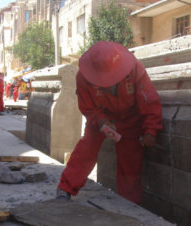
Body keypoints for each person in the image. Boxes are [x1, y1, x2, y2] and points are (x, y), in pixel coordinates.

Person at [56, 41, 163, 204]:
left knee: (130, 163)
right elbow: (88, 108)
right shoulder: (83, 78)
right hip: (100, 119)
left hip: (130, 120)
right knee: (86, 150)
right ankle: (65, 188)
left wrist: (151, 130)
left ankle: (130, 204)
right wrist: (101, 122)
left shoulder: (135, 69)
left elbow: (149, 100)